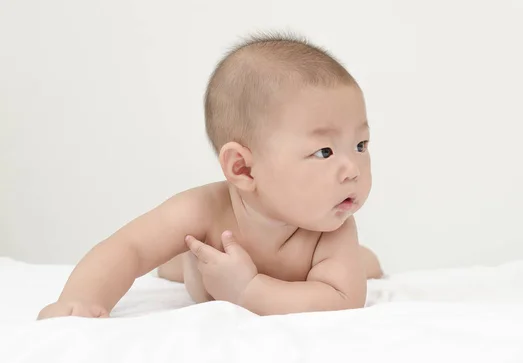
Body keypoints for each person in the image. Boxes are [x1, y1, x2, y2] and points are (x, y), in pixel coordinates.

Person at [37, 32, 383, 319]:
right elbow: (130, 247)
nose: (353, 169)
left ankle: (365, 260)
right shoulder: (204, 211)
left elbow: (342, 299)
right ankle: (177, 262)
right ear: (243, 168)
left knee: (361, 265)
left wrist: (248, 290)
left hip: (297, 269)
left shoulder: (332, 229)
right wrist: (82, 298)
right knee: (180, 259)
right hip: (201, 264)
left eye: (360, 145)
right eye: (324, 152)